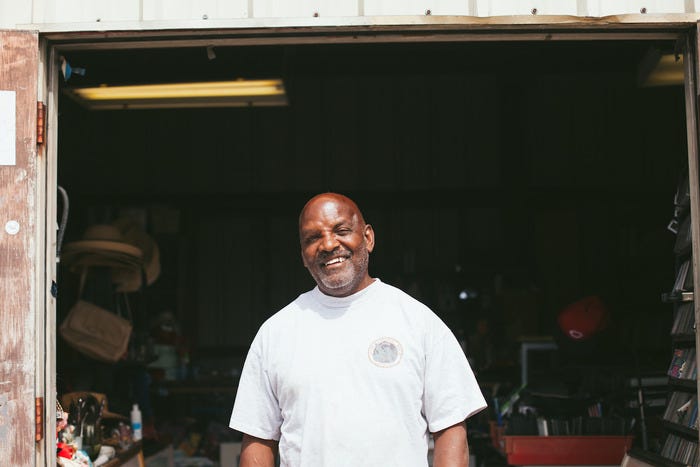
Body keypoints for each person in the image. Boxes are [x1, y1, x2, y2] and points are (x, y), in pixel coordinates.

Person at [229, 193, 486, 467]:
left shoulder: (419, 322)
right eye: (313, 238)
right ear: (303, 255)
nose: (328, 244)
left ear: (368, 238)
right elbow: (258, 439)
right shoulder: (276, 333)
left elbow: (450, 429)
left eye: (341, 231)